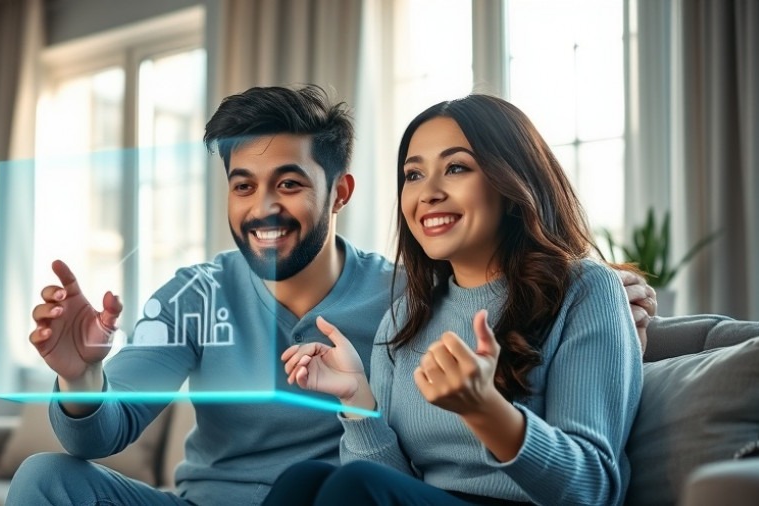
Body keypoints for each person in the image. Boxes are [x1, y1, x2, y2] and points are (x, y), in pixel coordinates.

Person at [5, 86, 654, 506]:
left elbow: (522, 302)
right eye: (242, 185)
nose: (261, 206)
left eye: (287, 183)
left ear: (339, 192)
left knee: (336, 486)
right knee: (45, 475)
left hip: (344, 495)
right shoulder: (195, 295)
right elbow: (100, 437)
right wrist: (81, 372)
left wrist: (611, 296)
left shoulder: (404, 296)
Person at [264, 95, 644, 506]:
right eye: (413, 175)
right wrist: (356, 398)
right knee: (304, 481)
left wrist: (485, 410)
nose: (428, 193)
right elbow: (391, 485)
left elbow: (592, 488)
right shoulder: (404, 318)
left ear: (512, 181)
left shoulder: (587, 290)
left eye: (456, 168)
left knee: (352, 487)